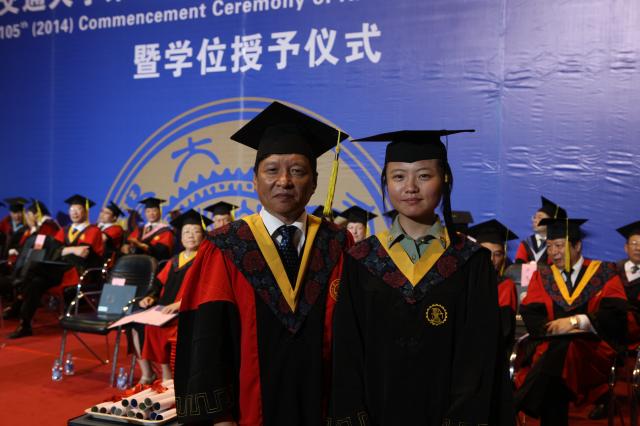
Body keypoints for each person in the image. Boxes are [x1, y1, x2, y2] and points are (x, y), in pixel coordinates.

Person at [175, 101, 351, 425]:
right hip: (248, 413)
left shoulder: (337, 244)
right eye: (271, 170)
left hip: (325, 408)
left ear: (314, 182)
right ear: (254, 180)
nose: (284, 181)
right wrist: (219, 417)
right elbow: (206, 340)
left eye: (297, 171)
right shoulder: (226, 247)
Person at [328, 130, 513, 425]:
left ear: (445, 179)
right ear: (386, 183)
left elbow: (480, 355)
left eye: (424, 176)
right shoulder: (361, 260)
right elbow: (347, 354)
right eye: (398, 176)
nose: (410, 187)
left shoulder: (471, 261)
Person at [514, 218, 627, 425]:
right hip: (551, 349)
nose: (553, 252)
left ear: (577, 246)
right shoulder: (544, 275)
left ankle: (519, 401)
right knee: (563, 349)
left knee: (566, 347)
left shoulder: (604, 273)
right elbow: (531, 313)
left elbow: (616, 315)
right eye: (549, 247)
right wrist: (555, 329)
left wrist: (578, 322)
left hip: (593, 352)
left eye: (559, 246)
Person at [136, 209, 211, 384]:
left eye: (196, 231)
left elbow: (207, 290)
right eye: (186, 232)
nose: (190, 235)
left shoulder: (206, 260)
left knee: (158, 328)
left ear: (203, 236)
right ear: (181, 237)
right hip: (165, 310)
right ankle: (150, 373)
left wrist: (180, 304)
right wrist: (151, 297)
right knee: (136, 323)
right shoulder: (175, 260)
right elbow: (158, 284)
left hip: (188, 311)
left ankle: (168, 375)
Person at [467, 219, 519, 353]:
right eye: (486, 253)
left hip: (490, 352)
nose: (491, 259)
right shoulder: (464, 281)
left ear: (503, 257)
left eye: (497, 254)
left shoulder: (505, 286)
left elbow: (504, 330)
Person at [54, 195, 105, 289]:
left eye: (78, 209)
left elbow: (82, 252)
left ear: (86, 212)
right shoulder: (64, 230)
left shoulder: (93, 230)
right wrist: (73, 249)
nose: (74, 213)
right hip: (64, 268)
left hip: (85, 272)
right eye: (71, 209)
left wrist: (61, 251)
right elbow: (53, 249)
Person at [515, 197, 567, 264]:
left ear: (551, 221)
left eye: (540, 217)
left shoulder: (558, 244)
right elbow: (517, 266)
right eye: (534, 217)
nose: (535, 220)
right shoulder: (526, 243)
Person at [121, 198, 174, 262]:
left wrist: (143, 246)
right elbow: (129, 241)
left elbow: (163, 251)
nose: (151, 213)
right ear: (145, 213)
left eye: (154, 210)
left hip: (153, 263)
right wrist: (126, 246)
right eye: (148, 211)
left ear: (160, 212)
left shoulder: (165, 231)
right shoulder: (140, 229)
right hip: (135, 261)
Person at [616, 220, 640, 343]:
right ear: (626, 247)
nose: (638, 248)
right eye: (634, 243)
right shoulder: (613, 270)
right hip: (611, 331)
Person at [0, 197, 28, 262]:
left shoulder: (27, 227)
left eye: (19, 212)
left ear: (23, 213)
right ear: (10, 213)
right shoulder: (4, 224)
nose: (17, 216)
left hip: (18, 258)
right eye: (14, 213)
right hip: (4, 258)